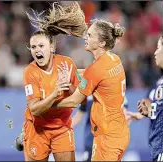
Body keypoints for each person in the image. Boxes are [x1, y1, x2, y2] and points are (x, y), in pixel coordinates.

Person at [53, 19, 130, 161]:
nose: (85, 38)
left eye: (90, 35)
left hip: (106, 138)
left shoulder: (96, 69)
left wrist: (49, 104)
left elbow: (75, 101)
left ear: (101, 43)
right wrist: (72, 74)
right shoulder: (114, 59)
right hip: (120, 133)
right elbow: (93, 75)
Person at [21, 2, 87, 161]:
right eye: (33, 47)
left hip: (62, 129)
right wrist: (56, 93)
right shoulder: (30, 72)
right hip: (38, 129)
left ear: (52, 47)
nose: (37, 50)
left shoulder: (67, 64)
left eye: (41, 46)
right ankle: (24, 136)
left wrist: (69, 86)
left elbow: (82, 100)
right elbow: (35, 110)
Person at [72, 96, 131, 161]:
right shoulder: (88, 93)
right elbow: (78, 116)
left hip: (109, 142)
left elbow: (125, 116)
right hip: (91, 141)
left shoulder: (117, 90)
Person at [135, 35, 163, 161]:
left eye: (158, 48)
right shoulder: (160, 83)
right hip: (157, 149)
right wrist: (151, 112)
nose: (155, 52)